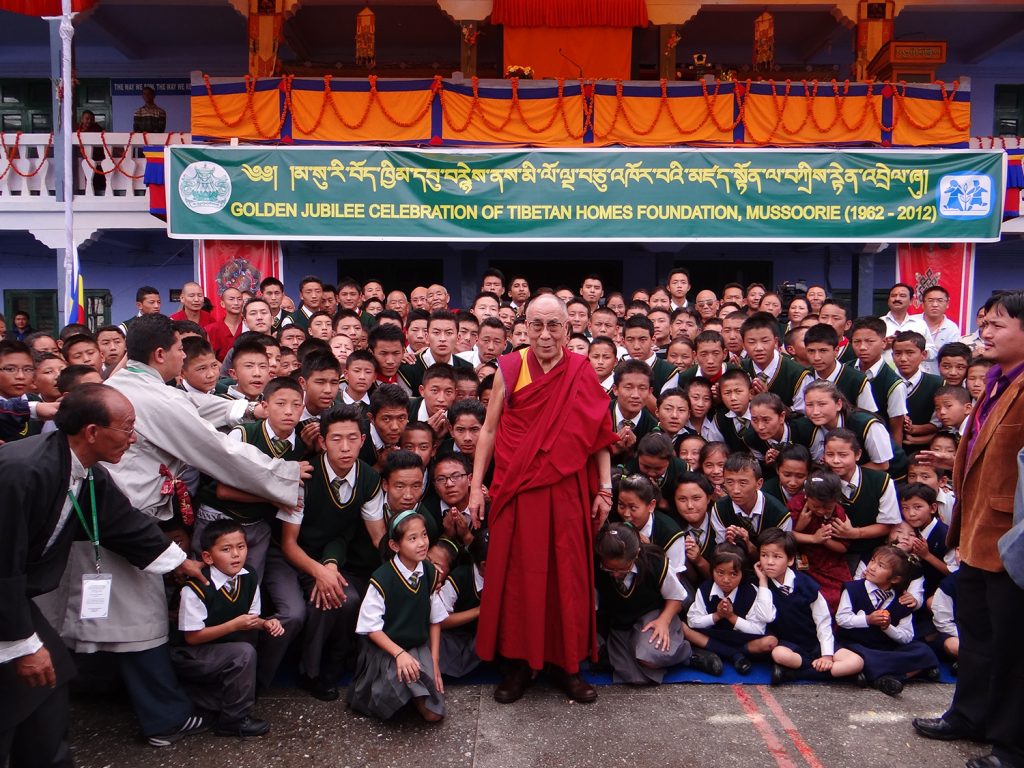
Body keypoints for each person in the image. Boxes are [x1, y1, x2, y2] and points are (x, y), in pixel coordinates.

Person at [0, 385, 206, 765]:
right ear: (92, 432)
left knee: (51, 677)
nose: (133, 438)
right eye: (127, 428)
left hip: (14, 599)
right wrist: (19, 645)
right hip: (6, 600)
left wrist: (179, 562)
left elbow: (122, 522)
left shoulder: (85, 471)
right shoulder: (22, 471)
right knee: (26, 682)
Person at [469, 294, 617, 704]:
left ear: (568, 330)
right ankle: (518, 664)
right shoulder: (510, 368)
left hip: (567, 490)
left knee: (566, 574)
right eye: (537, 325)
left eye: (555, 325)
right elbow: (489, 431)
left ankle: (567, 665)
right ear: (524, 326)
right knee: (518, 576)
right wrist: (475, 486)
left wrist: (605, 488)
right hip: (516, 491)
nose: (546, 334)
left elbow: (598, 436)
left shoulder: (581, 371)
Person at [913, 291, 1024, 768]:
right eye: (984, 323)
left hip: (1010, 537)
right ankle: (969, 715)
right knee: (977, 634)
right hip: (977, 530)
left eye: (998, 324)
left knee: (1014, 646)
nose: (986, 332)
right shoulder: (997, 382)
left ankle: (1012, 744)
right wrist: (952, 459)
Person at [173, 519, 281, 737]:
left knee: (256, 640)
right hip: (189, 654)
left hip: (221, 648)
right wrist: (234, 625)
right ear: (207, 557)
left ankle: (228, 699)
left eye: (241, 547)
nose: (236, 554)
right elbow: (192, 638)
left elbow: (251, 618)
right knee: (243, 652)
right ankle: (234, 720)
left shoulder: (248, 576)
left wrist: (267, 623)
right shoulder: (196, 588)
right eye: (226, 549)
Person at [348, 511, 447, 722]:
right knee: (389, 703)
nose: (422, 543)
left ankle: (412, 693)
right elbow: (371, 629)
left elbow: (435, 619)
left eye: (424, 535)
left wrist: (435, 661)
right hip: (387, 648)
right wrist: (399, 653)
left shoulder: (429, 572)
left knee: (434, 714)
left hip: (418, 646)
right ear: (395, 545)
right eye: (413, 538)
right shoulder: (382, 579)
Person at [594, 523, 699, 684]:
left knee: (649, 657)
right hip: (620, 624)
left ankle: (687, 654)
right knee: (634, 678)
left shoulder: (654, 561)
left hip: (653, 617)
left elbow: (677, 597)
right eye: (609, 570)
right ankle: (634, 652)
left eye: (622, 569)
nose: (615, 575)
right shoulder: (596, 566)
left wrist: (664, 620)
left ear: (636, 553)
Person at [836, 545, 939, 696]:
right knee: (858, 657)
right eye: (872, 561)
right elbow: (841, 619)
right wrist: (867, 620)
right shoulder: (853, 589)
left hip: (886, 648)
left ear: (895, 578)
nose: (872, 567)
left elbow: (906, 636)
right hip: (856, 645)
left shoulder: (901, 600)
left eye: (881, 566)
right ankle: (892, 675)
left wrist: (888, 627)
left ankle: (882, 677)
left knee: (923, 651)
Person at [684, 543, 776, 674]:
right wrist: (717, 615)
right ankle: (735, 656)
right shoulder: (705, 589)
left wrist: (731, 617)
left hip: (743, 639)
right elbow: (693, 621)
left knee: (770, 641)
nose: (726, 580)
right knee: (684, 629)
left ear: (742, 574)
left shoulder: (751, 592)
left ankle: (732, 653)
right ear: (712, 571)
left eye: (733, 574)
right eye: (720, 573)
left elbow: (758, 630)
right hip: (714, 636)